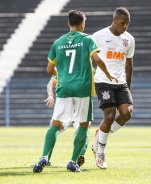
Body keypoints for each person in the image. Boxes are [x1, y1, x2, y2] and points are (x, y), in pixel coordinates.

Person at [32, 10, 117, 173]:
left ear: (68, 23)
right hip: (82, 88)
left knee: (56, 124)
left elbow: (49, 68)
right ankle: (72, 161)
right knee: (84, 125)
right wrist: (108, 74)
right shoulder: (87, 39)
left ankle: (44, 157)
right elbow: (98, 59)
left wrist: (63, 75)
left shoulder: (58, 42)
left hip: (64, 88)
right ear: (83, 24)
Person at [91, 7, 135, 169]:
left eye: (128, 24)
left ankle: (101, 134)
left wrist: (128, 88)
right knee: (109, 116)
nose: (125, 27)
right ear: (114, 20)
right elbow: (90, 59)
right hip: (103, 81)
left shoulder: (129, 39)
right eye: (123, 23)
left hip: (121, 83)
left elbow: (129, 65)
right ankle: (100, 152)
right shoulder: (98, 36)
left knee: (126, 113)